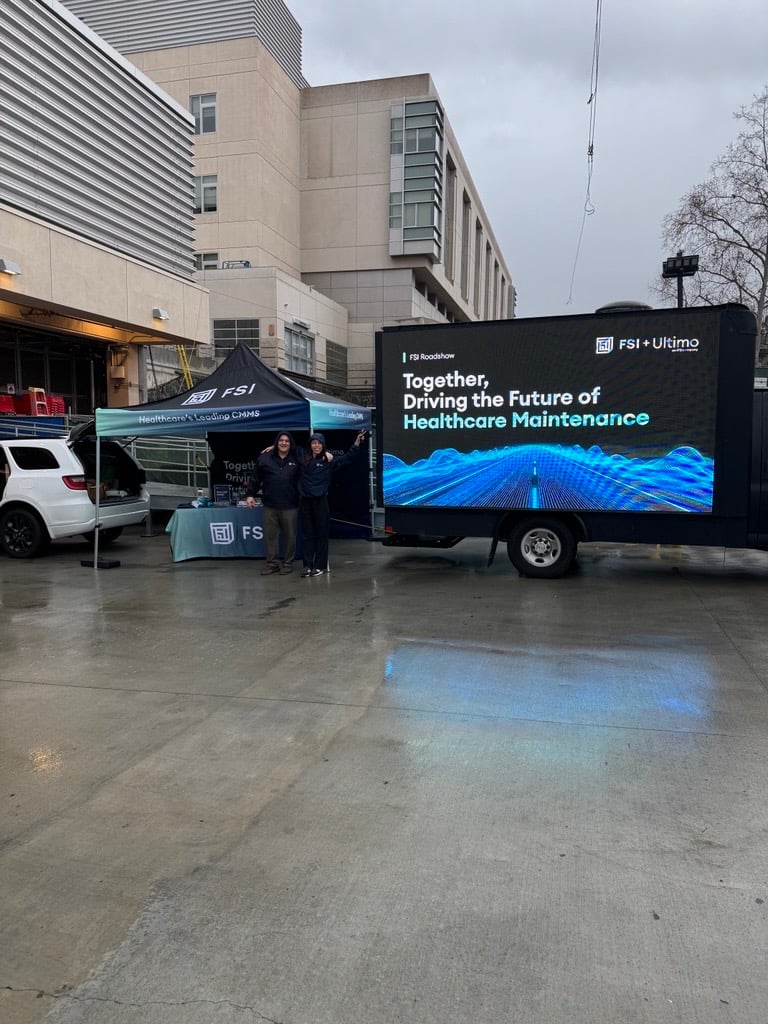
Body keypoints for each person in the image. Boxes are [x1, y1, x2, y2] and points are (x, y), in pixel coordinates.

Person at [298, 430, 367, 577]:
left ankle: (319, 566)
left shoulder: (329, 461)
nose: (316, 446)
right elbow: (287, 448)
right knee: (307, 534)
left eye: (319, 443)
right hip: (305, 501)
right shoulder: (303, 459)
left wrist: (356, 443)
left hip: (321, 501)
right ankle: (308, 565)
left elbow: (348, 458)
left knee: (322, 534)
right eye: (314, 443)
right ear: (310, 445)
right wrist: (273, 447)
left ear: (323, 445)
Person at [244, 431, 301, 575]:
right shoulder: (265, 458)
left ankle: (287, 564)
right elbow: (255, 478)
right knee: (270, 537)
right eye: (280, 440)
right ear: (277, 442)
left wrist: (327, 454)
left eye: (287, 441)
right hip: (270, 505)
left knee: (290, 537)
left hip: (290, 505)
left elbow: (311, 453)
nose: (283, 443)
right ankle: (272, 564)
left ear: (291, 443)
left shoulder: (297, 457)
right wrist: (250, 494)